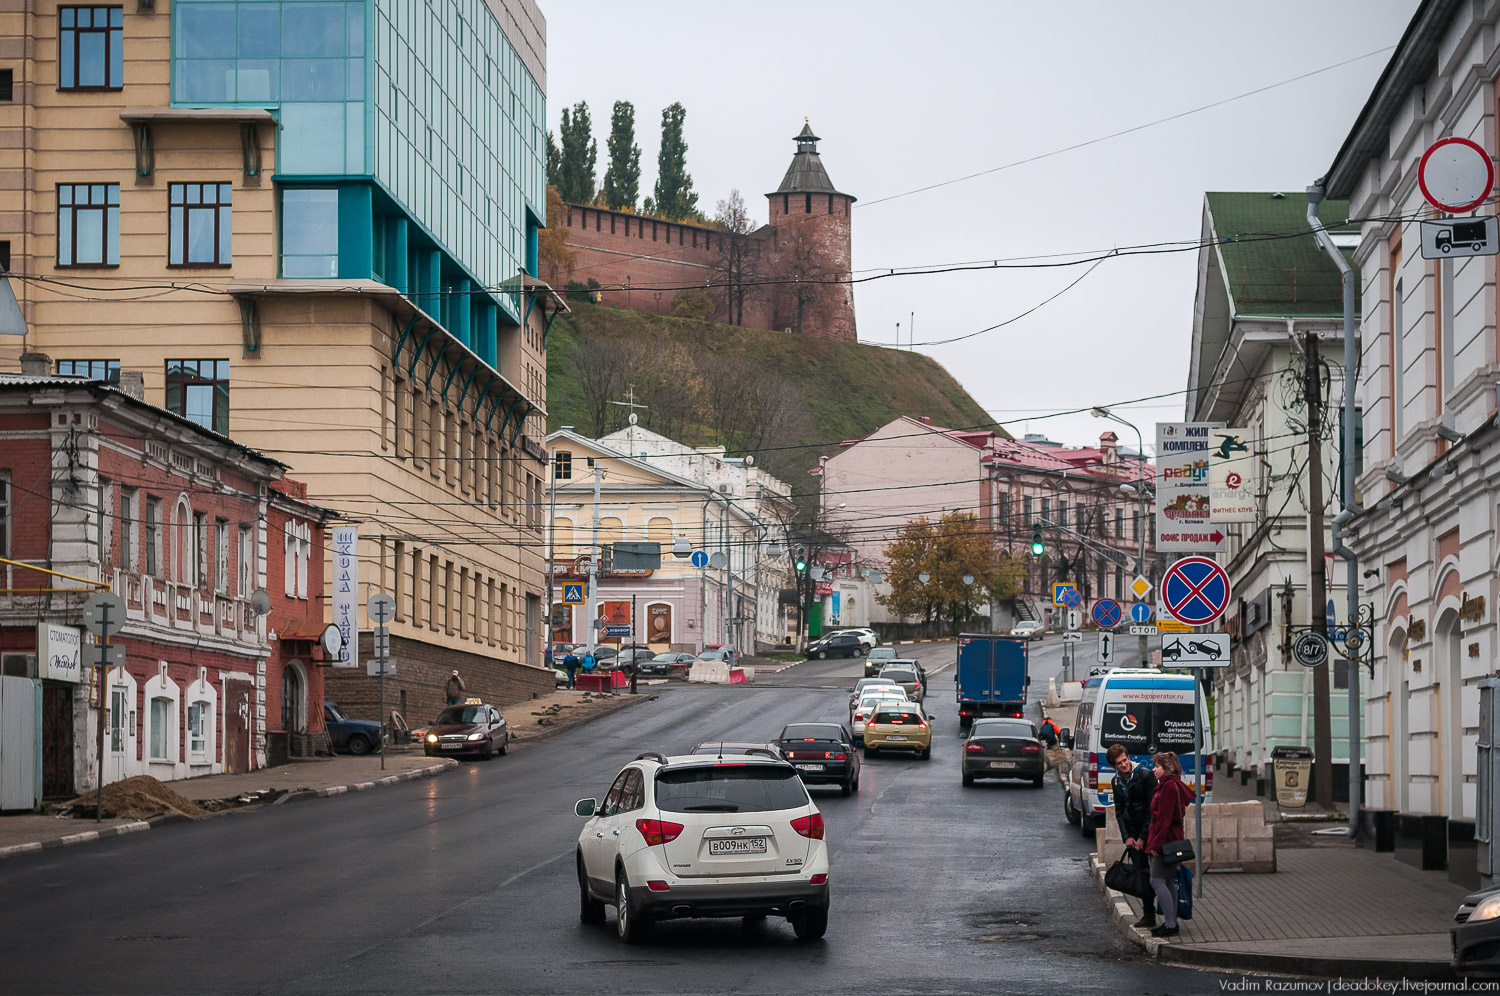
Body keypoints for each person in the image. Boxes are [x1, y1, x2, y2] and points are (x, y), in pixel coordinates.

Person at [1107, 743, 1159, 928]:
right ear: (1113, 766)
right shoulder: (1115, 781)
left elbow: (1152, 810)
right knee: (1141, 876)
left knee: (1159, 876)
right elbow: (1119, 811)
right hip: (1133, 837)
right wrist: (1127, 837)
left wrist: (1143, 837)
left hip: (1150, 834)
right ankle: (1148, 915)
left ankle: (1168, 914)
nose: (1124, 764)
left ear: (1128, 756)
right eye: (1119, 763)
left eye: (1124, 760)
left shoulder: (1145, 775)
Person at [1144, 750, 1195, 938]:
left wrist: (1155, 846)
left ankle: (1170, 924)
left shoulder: (1169, 787)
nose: (1154, 769)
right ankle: (1171, 922)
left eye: (1157, 766)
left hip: (1165, 840)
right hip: (1169, 838)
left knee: (1156, 881)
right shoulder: (1169, 785)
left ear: (1167, 768)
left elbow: (1164, 819)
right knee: (1167, 881)